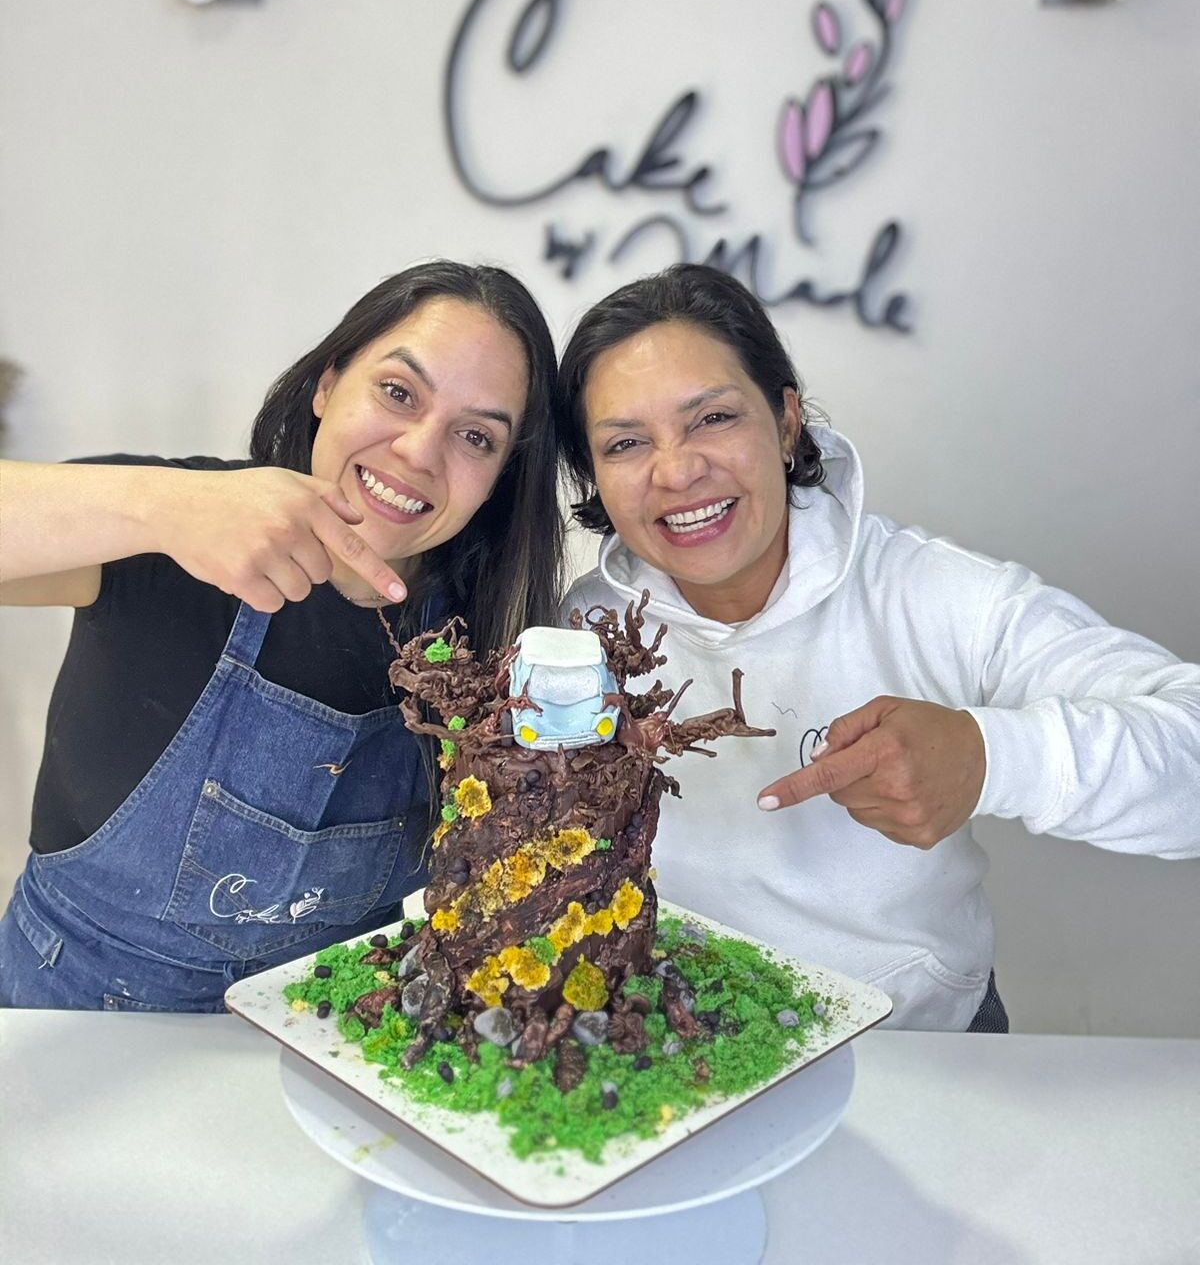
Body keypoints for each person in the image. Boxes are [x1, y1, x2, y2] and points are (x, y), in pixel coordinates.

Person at [556, 263, 1200, 1031]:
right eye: (627, 442)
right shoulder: (580, 630)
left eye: (713, 419)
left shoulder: (934, 594)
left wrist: (988, 756)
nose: (679, 469)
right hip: (667, 1053)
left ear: (787, 420)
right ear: (594, 476)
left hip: (919, 1047)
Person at [0, 259, 565, 1011]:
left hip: (317, 1045)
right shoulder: (175, 532)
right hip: (72, 1025)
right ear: (328, 384)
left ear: (501, 475)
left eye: (476, 437)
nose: (420, 452)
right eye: (398, 393)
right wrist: (161, 503)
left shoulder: (487, 631)